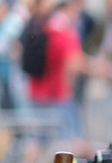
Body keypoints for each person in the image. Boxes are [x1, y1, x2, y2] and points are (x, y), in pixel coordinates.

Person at [23, 0, 84, 139]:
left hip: (36, 95)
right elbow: (75, 63)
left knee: (36, 141)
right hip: (58, 96)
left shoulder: (34, 29)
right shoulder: (64, 34)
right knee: (69, 143)